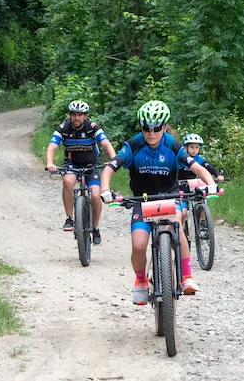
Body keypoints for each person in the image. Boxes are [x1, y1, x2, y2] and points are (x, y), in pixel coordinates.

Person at [100, 100, 217, 303]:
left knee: (177, 226)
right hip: (142, 200)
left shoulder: (172, 145)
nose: (151, 133)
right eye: (146, 128)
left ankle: (187, 276)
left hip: (170, 196)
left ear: (164, 127)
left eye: (156, 129)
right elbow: (110, 167)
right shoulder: (133, 145)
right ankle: (140, 281)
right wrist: (104, 189)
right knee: (138, 245)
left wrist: (210, 184)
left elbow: (197, 168)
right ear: (141, 127)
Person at [46, 100, 116, 242]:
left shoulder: (92, 127)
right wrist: (50, 163)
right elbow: (52, 146)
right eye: (73, 114)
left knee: (96, 196)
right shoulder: (64, 128)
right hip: (72, 164)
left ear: (85, 116)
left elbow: (105, 143)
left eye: (80, 115)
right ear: (70, 115)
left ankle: (95, 228)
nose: (76, 118)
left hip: (91, 165)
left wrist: (114, 160)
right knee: (67, 181)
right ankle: (69, 218)